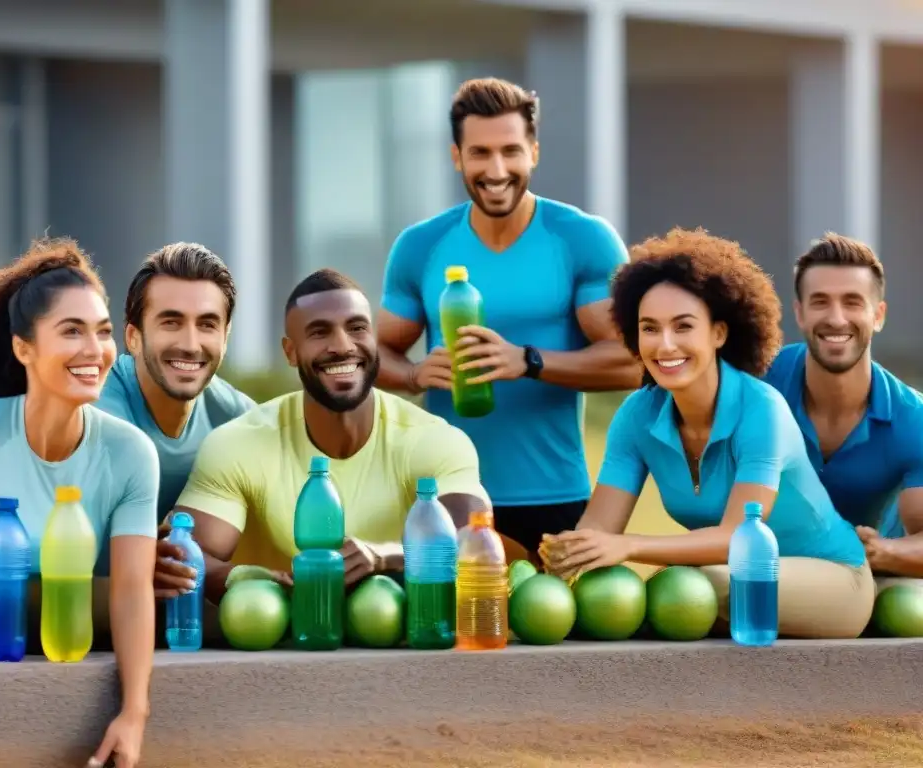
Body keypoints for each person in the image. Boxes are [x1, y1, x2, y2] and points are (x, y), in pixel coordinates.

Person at [0, 238, 158, 768]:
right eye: (72, 331)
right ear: (24, 348)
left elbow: (132, 592)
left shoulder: (132, 452)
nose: (95, 349)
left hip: (67, 650)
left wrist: (133, 713)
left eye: (103, 332)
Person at [543, 228, 873, 639]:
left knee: (693, 589)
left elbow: (738, 537)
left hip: (834, 581)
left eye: (683, 327)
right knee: (665, 590)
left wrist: (629, 547)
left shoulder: (762, 410)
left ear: (718, 333)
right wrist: (568, 555)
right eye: (649, 328)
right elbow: (598, 531)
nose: (664, 345)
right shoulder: (636, 416)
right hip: (724, 580)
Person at [376, 77, 642, 560]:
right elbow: (370, 354)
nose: (496, 170)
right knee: (457, 635)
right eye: (480, 153)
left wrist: (529, 360)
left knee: (554, 632)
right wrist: (414, 374)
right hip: (450, 496)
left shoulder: (582, 239)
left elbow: (630, 362)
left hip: (555, 496)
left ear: (533, 152)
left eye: (510, 151)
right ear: (457, 157)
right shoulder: (421, 246)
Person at [168, 269, 491, 607]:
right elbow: (187, 556)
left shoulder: (435, 440)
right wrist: (264, 580)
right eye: (320, 332)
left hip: (404, 645)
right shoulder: (238, 444)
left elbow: (474, 543)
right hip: (282, 644)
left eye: (357, 328)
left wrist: (385, 556)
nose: (342, 346)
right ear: (290, 352)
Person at [93, 243, 255, 598]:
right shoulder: (96, 413)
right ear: (133, 337)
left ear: (225, 338)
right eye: (171, 322)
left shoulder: (239, 421)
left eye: (207, 324)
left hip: (182, 624)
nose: (191, 344)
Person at [764, 234, 923, 587]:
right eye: (820, 302)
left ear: (878, 315)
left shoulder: (913, 418)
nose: (836, 319)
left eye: (853, 302)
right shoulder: (760, 385)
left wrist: (882, 552)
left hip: (874, 576)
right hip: (774, 566)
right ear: (800, 313)